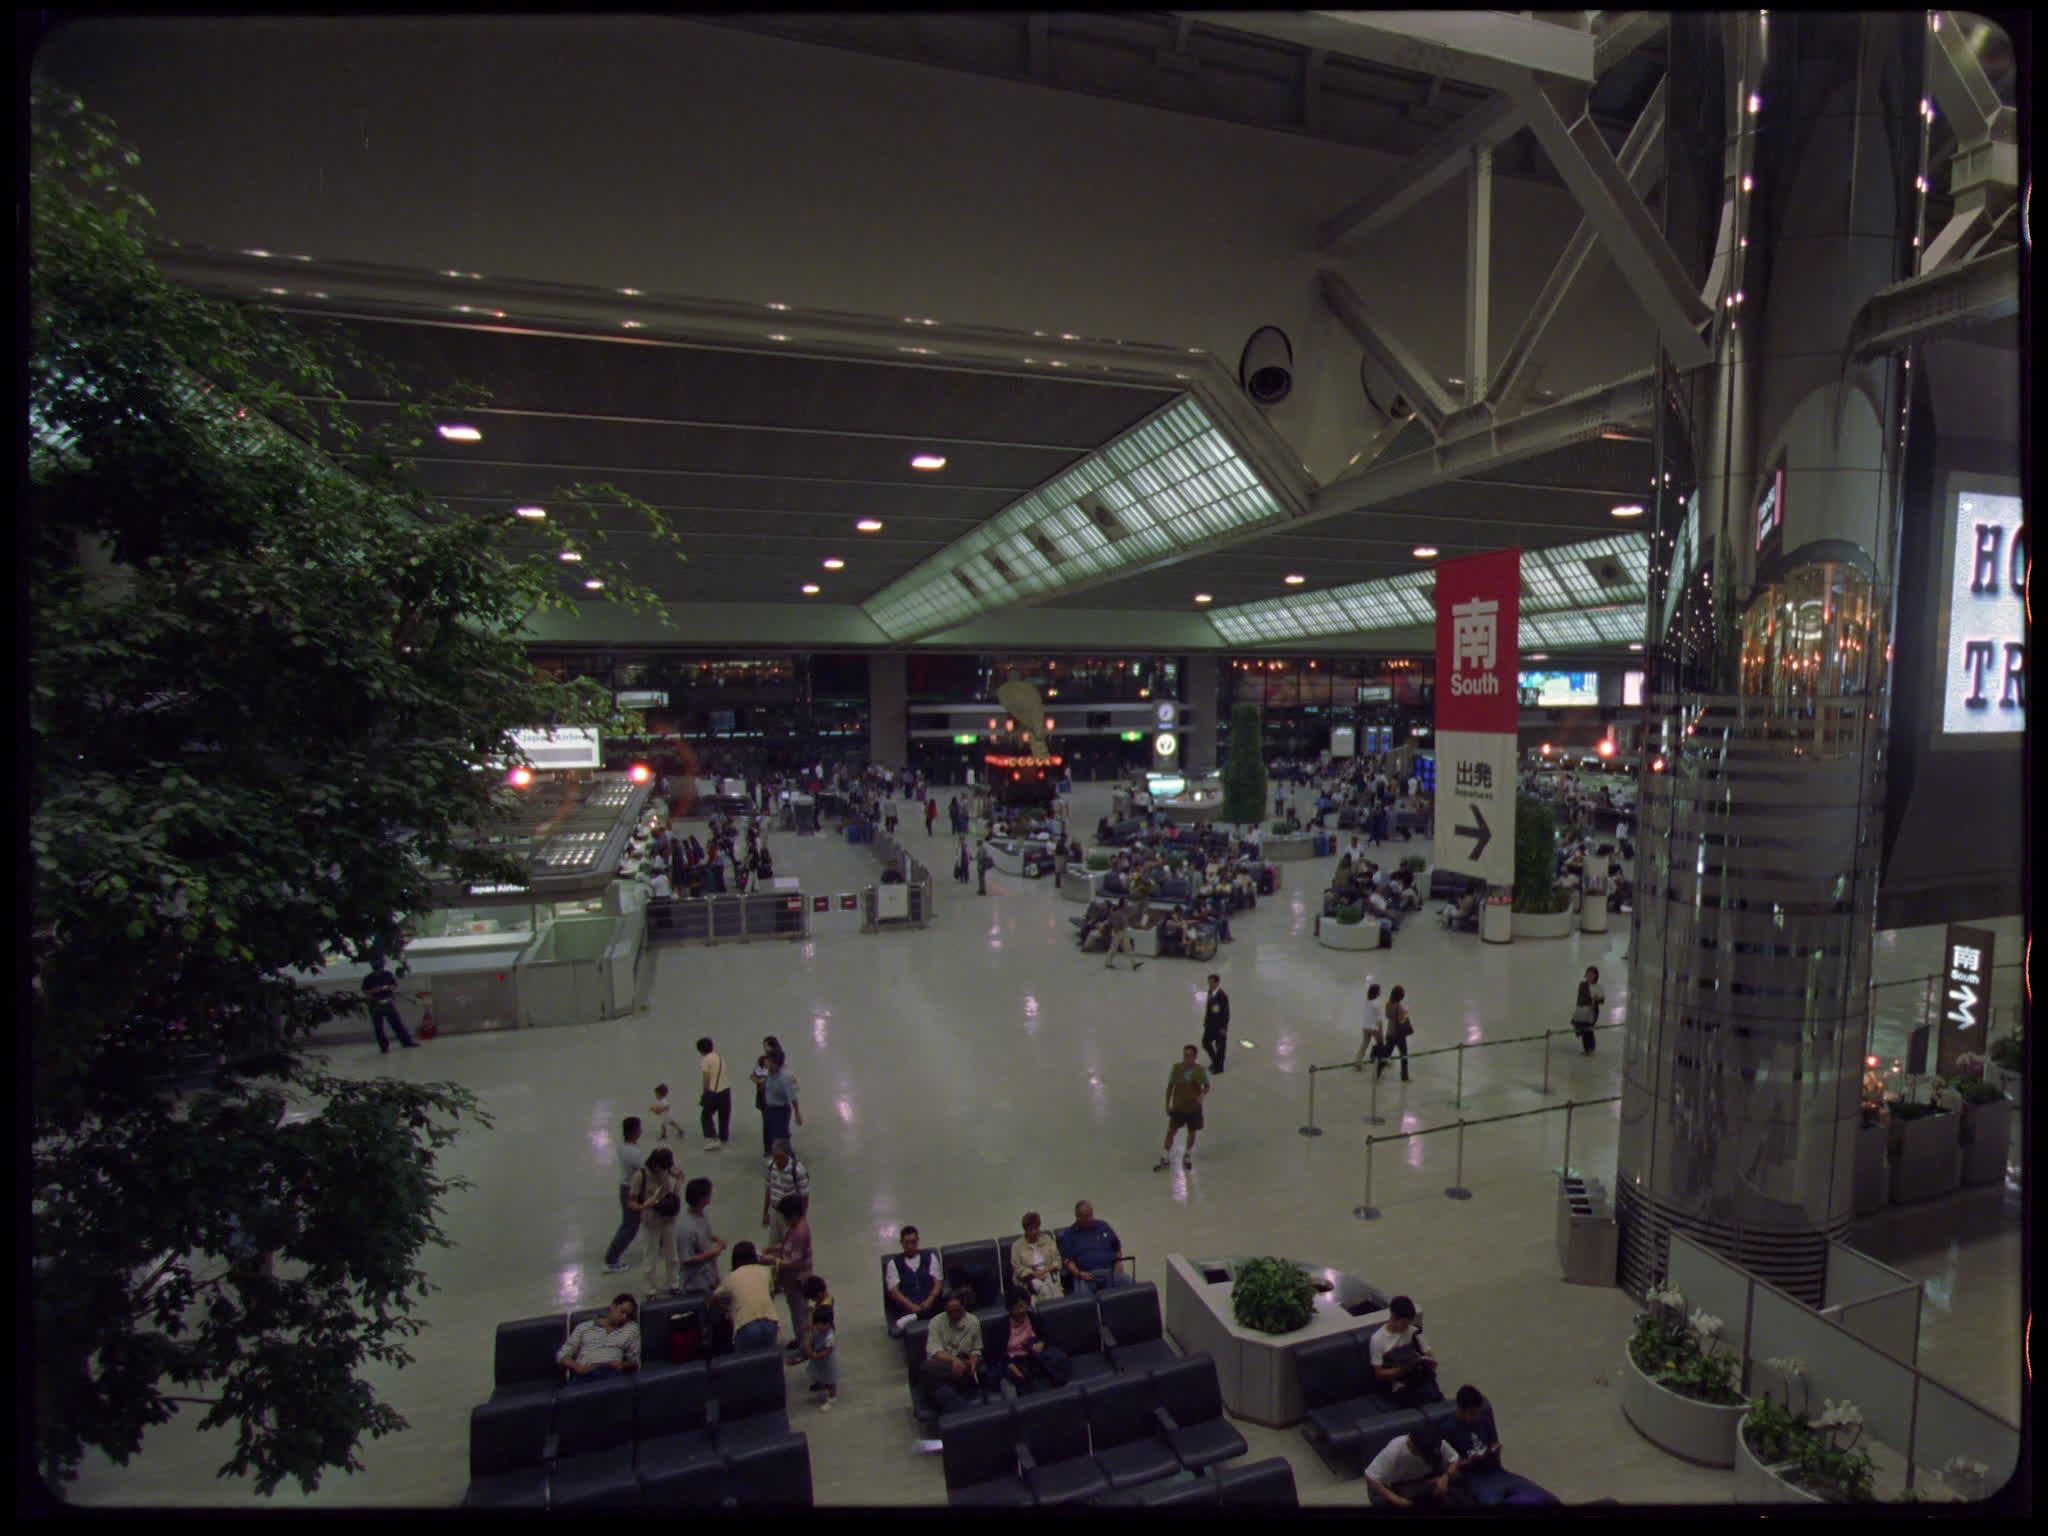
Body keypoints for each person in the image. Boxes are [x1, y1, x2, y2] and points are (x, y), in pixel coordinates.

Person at [763, 1193, 814, 1359]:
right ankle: (801, 1341)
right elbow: (787, 1246)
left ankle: (804, 1349)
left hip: (798, 1280)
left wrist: (774, 1260)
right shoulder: (794, 1229)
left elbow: (794, 1262)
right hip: (791, 1281)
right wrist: (773, 1249)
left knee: (800, 1314)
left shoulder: (800, 1233)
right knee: (796, 1313)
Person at [1364, 1424, 1461, 1509]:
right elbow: (1370, 1477)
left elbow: (1454, 1459)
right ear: (1413, 1447)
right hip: (1393, 1486)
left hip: (1420, 1480)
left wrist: (1445, 1478)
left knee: (1455, 1479)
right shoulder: (1394, 1450)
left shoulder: (1436, 1442)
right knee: (1381, 1501)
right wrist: (1398, 1500)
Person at [629, 1146, 683, 1296]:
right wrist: (643, 1206)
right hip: (650, 1220)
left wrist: (677, 1187)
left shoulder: (667, 1167)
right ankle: (650, 1288)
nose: (663, 1171)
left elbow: (680, 1174)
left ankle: (674, 1283)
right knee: (650, 1256)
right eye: (661, 1168)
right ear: (655, 1164)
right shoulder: (640, 1176)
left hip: (668, 1217)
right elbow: (631, 1202)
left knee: (672, 1254)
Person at [922, 1290, 987, 1414]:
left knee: (932, 1379)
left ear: (964, 1307)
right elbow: (934, 1351)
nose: (954, 1316)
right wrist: (954, 1361)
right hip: (943, 1366)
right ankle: (966, 1414)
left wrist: (973, 1362)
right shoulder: (936, 1322)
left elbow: (976, 1349)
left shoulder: (973, 1322)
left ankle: (961, 1415)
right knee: (927, 1368)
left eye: (958, 1311)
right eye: (950, 1312)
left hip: (964, 1368)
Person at [1370, 1294, 1440, 1404]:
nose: (1406, 1327)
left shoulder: (1413, 1332)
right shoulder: (1378, 1340)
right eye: (1404, 1323)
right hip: (1399, 1387)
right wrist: (1403, 1369)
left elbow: (1428, 1354)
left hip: (1420, 1378)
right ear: (1393, 1316)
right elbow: (1379, 1374)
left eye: (1409, 1323)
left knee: (1434, 1394)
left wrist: (1428, 1362)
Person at [712, 1241, 780, 1354]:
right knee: (768, 1363)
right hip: (770, 1322)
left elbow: (713, 1298)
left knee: (746, 1366)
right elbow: (771, 1294)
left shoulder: (731, 1277)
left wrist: (728, 1310)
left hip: (746, 1325)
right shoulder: (765, 1271)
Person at [1001, 1287, 1070, 1394]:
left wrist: (1041, 1343)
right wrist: (1010, 1364)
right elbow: (998, 1352)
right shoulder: (1002, 1325)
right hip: (1014, 1362)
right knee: (1018, 1381)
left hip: (1033, 1359)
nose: (1020, 1311)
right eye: (1016, 1308)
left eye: (1022, 1306)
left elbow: (1047, 1337)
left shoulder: (1033, 1318)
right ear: (1010, 1308)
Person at [603, 1116, 648, 1274]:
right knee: (629, 1227)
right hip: (632, 1190)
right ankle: (611, 1260)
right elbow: (645, 1170)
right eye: (639, 1128)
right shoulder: (633, 1153)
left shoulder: (624, 1146)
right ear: (634, 1131)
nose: (641, 1130)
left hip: (627, 1187)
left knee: (632, 1223)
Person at [1057, 1201, 1132, 1296]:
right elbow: (1067, 1261)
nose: (1089, 1219)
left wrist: (1118, 1262)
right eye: (1085, 1217)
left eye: (1090, 1215)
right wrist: (1079, 1274)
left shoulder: (1103, 1226)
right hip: (1085, 1276)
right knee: (1082, 1298)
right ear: (1077, 1216)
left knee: (1129, 1283)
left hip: (1109, 1272)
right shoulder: (1069, 1234)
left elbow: (1116, 1247)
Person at [558, 1294, 641, 1380]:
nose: (624, 1317)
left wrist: (621, 1365)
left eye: (628, 1315)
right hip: (586, 1372)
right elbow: (562, 1355)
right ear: (613, 1307)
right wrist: (578, 1368)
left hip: (612, 1372)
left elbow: (635, 1362)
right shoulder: (584, 1327)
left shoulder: (630, 1328)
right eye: (622, 1311)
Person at [1155, 1045, 1211, 1172]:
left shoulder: (1200, 1070)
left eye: (1189, 1056)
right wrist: (1167, 1104)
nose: (1186, 1058)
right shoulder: (1177, 1068)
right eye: (1185, 1055)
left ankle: (1187, 1154)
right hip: (1178, 1107)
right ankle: (1165, 1156)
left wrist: (1202, 1094)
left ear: (1195, 1057)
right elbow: (1170, 1086)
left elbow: (1207, 1086)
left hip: (1193, 1108)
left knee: (1192, 1132)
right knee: (1171, 1131)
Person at [886, 1224, 946, 1333]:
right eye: (906, 1243)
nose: (910, 1246)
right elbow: (894, 1292)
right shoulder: (893, 1263)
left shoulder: (930, 1256)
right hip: (908, 1306)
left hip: (930, 1303)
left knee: (947, 1302)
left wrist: (929, 1300)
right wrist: (911, 1305)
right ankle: (917, 1315)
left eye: (913, 1242)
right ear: (901, 1243)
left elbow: (938, 1283)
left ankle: (915, 1317)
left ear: (918, 1241)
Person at [675, 1176, 725, 1303]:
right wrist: (713, 1253)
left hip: (709, 1276)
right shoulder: (686, 1228)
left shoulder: (701, 1214)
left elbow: (706, 1233)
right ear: (702, 1198)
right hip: (696, 1284)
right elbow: (686, 1259)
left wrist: (716, 1239)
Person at [362, 961, 418, 1054]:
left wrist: (388, 987)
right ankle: (384, 1047)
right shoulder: (368, 978)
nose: (379, 971)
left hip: (387, 1001)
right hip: (375, 1003)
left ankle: (406, 1042)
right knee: (378, 1027)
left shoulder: (388, 974)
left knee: (397, 1023)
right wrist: (375, 990)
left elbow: (394, 985)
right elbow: (366, 991)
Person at [1009, 1211, 1063, 1304]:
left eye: (1036, 1228)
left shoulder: (1047, 1239)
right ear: (1025, 1229)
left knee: (1054, 1291)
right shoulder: (1017, 1246)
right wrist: (1035, 1274)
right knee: (1044, 1290)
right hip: (1029, 1279)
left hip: (1048, 1273)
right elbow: (1018, 1269)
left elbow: (1057, 1260)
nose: (1034, 1232)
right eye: (1031, 1229)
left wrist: (1044, 1271)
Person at [759, 1049, 802, 1156]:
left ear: (775, 1064)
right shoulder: (768, 1073)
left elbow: (793, 1098)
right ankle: (781, 1159)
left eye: (768, 1061)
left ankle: (791, 1161)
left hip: (781, 1111)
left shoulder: (784, 1079)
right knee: (775, 1137)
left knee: (781, 1139)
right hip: (770, 1109)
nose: (766, 1063)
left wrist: (797, 1114)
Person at [1373, 985, 1414, 1082]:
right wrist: (1405, 1013)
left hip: (1389, 1033)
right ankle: (1405, 1077)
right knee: (1404, 1055)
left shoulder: (1388, 1004)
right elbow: (1401, 1020)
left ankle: (1377, 1072)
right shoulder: (1399, 1006)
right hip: (1399, 1035)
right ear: (1400, 996)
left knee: (1386, 1054)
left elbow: (1387, 1016)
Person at [697, 1037, 732, 1150]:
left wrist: (705, 1092)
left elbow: (706, 1078)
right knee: (724, 1115)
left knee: (705, 1115)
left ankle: (712, 1137)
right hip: (725, 1089)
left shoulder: (705, 1060)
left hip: (713, 1091)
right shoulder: (720, 1058)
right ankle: (724, 1137)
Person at [803, 1302, 839, 1409]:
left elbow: (828, 1351)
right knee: (819, 1374)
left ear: (828, 1323)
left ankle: (832, 1396)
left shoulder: (830, 1336)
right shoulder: (816, 1330)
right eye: (817, 1324)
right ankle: (821, 1385)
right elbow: (811, 1337)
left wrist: (815, 1355)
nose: (818, 1327)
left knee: (830, 1379)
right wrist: (809, 1347)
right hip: (818, 1360)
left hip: (827, 1361)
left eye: (821, 1324)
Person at [1571, 965, 1604, 1055]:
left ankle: (1591, 1047)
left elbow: (1602, 1000)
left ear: (1595, 976)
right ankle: (1587, 1048)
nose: (1589, 977)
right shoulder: (1583, 985)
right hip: (1583, 1011)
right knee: (1585, 1030)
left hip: (1593, 1011)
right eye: (1588, 975)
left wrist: (1597, 999)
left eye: (1591, 975)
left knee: (1589, 1029)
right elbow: (1580, 999)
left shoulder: (1598, 987)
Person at [1352, 982, 1385, 1070]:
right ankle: (1381, 1060)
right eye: (1379, 990)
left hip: (1365, 1026)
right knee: (1381, 1044)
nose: (1380, 992)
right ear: (1377, 992)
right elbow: (1379, 1020)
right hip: (1374, 1028)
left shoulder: (1367, 1001)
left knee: (1364, 1044)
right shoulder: (1378, 1004)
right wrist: (1381, 1031)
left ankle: (1357, 1062)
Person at [1201, 973, 1230, 1073]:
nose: (1210, 984)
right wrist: (1206, 1021)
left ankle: (1219, 1067)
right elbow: (1208, 1009)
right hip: (1210, 1025)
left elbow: (1226, 1013)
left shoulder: (1222, 996)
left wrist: (1223, 1028)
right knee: (1205, 1042)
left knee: (1220, 1047)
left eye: (1212, 982)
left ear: (1217, 983)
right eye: (1209, 982)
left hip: (1219, 1026)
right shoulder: (1210, 992)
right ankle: (1215, 1061)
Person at [1104, 900, 1143, 971]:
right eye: (1126, 903)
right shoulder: (1117, 913)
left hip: (1124, 931)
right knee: (1114, 948)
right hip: (1118, 932)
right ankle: (1108, 962)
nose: (1127, 904)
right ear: (1123, 904)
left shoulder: (1124, 911)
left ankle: (1134, 963)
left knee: (1128, 947)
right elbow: (1115, 923)